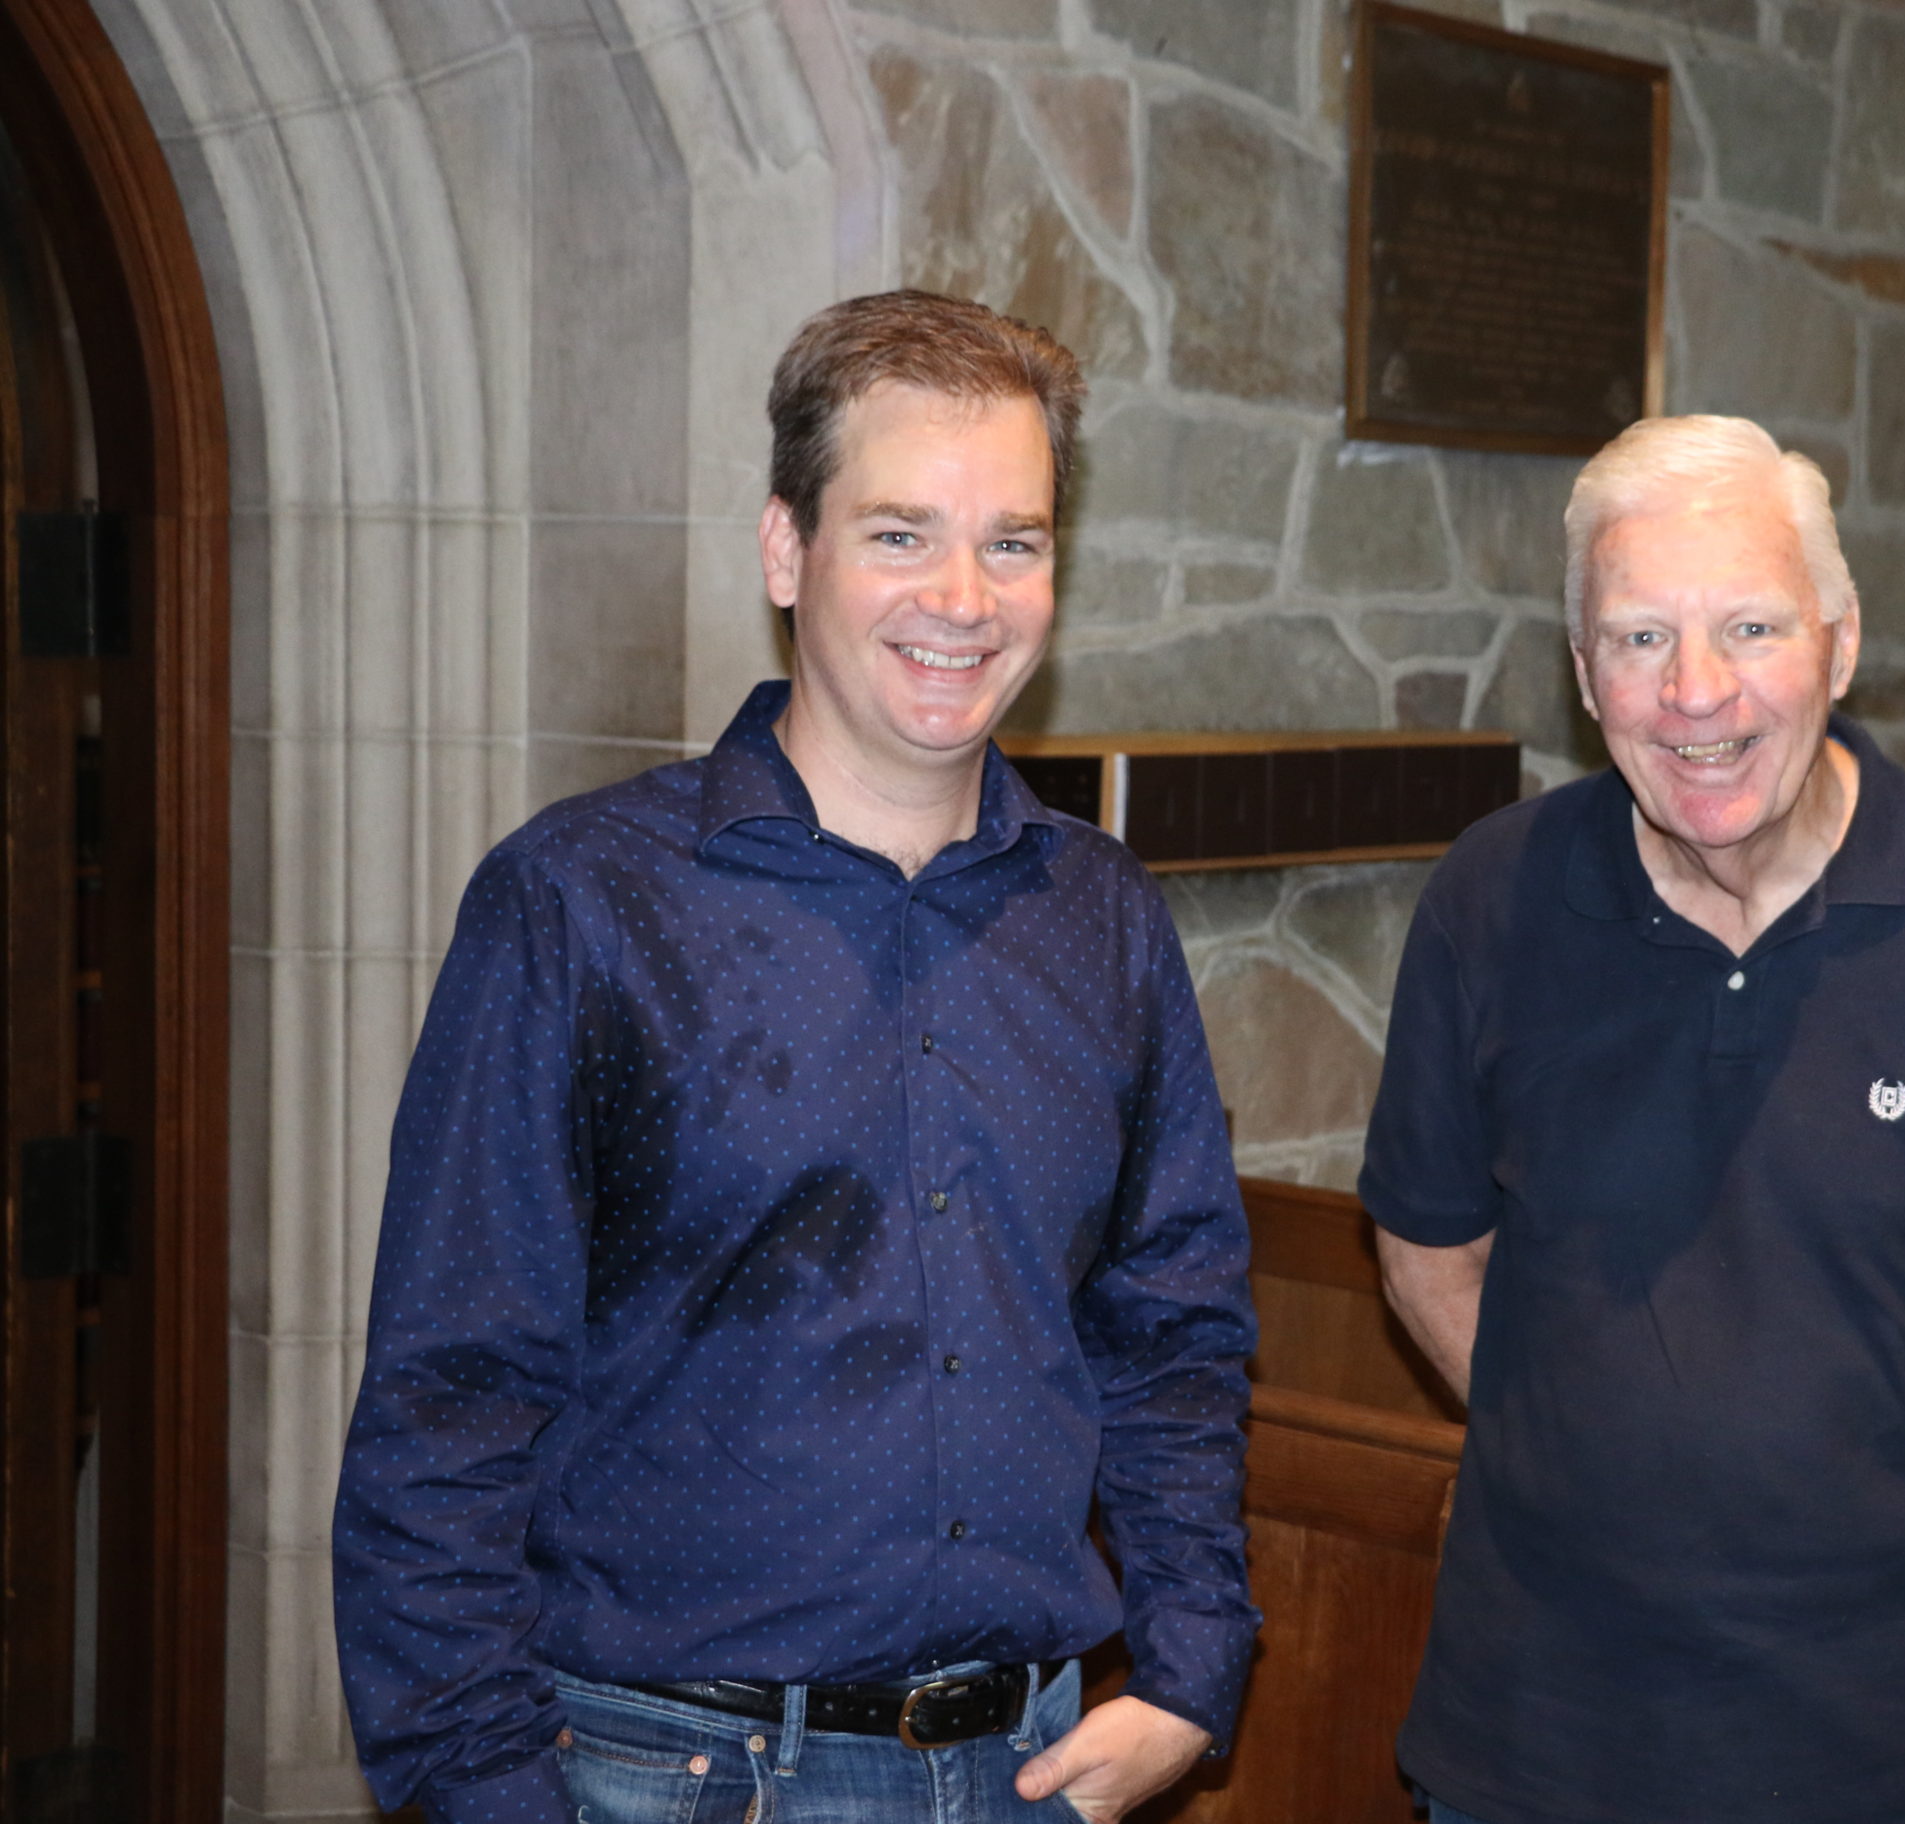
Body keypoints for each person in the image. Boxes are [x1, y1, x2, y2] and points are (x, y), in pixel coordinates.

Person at [332, 291, 1257, 1824]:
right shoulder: (583, 902)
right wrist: (484, 1795)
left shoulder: (1105, 916)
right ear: (787, 551)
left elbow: (1173, 1332)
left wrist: (1189, 1662)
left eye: (1013, 542)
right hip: (675, 1778)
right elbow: (451, 1397)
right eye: (900, 533)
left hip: (1033, 1772)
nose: (963, 596)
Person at [1362, 415, 1905, 1824]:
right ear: (1582, 677)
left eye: (1750, 628)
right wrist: (1595, 1483)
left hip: (1887, 1751)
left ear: (1840, 645)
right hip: (1535, 1744)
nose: (1696, 692)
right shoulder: (1490, 901)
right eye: (1637, 640)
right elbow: (1427, 1253)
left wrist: (1890, 1529)